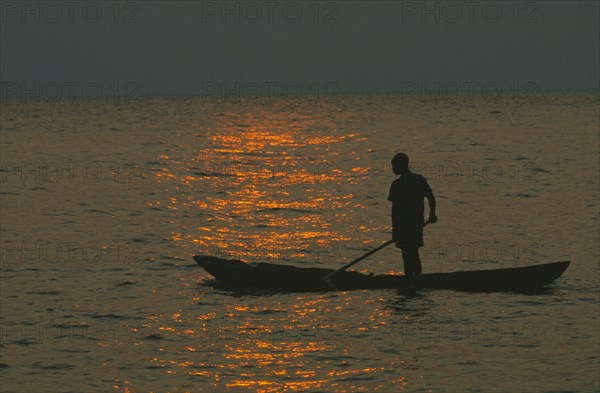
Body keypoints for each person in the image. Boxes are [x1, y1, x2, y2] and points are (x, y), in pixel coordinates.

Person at [388, 153, 437, 276]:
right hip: (415, 224)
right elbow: (431, 198)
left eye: (394, 166)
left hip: (405, 226)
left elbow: (394, 212)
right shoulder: (419, 180)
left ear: (401, 166)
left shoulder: (397, 185)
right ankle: (416, 279)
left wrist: (395, 232)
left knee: (407, 255)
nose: (392, 168)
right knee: (414, 254)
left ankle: (411, 280)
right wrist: (432, 214)